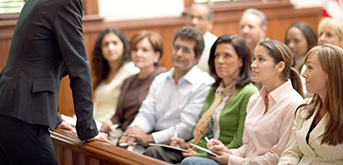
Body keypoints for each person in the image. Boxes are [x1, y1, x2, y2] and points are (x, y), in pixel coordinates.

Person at [0, 0, 110, 165]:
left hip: (3, 108)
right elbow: (79, 68)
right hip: (23, 116)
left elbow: (34, 61)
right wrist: (87, 129)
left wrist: (54, 118)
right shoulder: (67, 1)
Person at [182, 40, 304, 165]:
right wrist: (227, 151)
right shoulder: (255, 99)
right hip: (243, 162)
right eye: (254, 59)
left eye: (261, 59)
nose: (253, 65)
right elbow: (247, 146)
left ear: (280, 66)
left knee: (191, 163)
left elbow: (278, 157)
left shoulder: (293, 104)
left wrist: (232, 160)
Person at [144, 34, 258, 163]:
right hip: (200, 150)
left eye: (227, 56)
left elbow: (239, 143)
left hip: (225, 156)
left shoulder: (248, 93)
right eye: (217, 56)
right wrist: (186, 145)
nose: (220, 60)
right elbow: (204, 133)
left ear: (241, 61)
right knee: (153, 152)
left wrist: (199, 154)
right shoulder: (214, 90)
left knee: (190, 162)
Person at [118, 26, 214, 150]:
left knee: (152, 152)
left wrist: (150, 138)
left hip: (179, 143)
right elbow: (147, 114)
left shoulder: (203, 84)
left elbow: (187, 128)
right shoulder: (160, 79)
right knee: (122, 147)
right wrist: (133, 132)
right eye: (177, 47)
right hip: (152, 136)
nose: (179, 54)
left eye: (186, 50)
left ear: (197, 58)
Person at [278, 44, 343, 165]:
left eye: (310, 68)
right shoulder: (304, 108)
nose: (303, 74)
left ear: (330, 73)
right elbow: (291, 153)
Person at [100, 30, 168, 144]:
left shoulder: (162, 78)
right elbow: (118, 115)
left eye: (145, 50)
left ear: (157, 55)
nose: (138, 54)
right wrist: (110, 122)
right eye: (135, 50)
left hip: (146, 137)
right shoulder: (128, 81)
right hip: (123, 132)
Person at [92, 28, 139, 123]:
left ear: (124, 46)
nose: (110, 48)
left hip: (113, 125)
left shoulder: (131, 70)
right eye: (106, 44)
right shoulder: (105, 72)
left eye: (115, 43)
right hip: (96, 122)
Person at [285, 22, 317, 97]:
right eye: (288, 41)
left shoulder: (315, 65)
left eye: (296, 41)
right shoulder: (287, 65)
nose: (290, 45)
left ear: (309, 41)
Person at [187, 3, 218, 73]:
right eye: (191, 17)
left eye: (200, 18)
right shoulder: (182, 42)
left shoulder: (214, 44)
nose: (194, 22)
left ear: (210, 23)